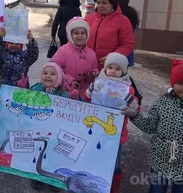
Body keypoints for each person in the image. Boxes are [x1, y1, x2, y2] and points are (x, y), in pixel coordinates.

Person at [122, 59, 183, 193]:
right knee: (156, 189)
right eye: (180, 83)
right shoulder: (163, 102)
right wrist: (134, 115)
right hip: (161, 159)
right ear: (173, 83)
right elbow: (150, 126)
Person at [83, 53, 139, 193]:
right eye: (110, 67)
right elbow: (86, 100)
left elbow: (136, 108)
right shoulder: (98, 83)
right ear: (105, 69)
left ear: (124, 72)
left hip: (116, 134)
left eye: (117, 69)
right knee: (94, 159)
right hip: (97, 130)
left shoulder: (128, 88)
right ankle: (92, 185)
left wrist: (130, 100)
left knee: (114, 164)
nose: (113, 71)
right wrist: (90, 91)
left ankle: (112, 188)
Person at [29, 62, 76, 192]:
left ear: (59, 78)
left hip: (57, 133)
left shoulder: (65, 94)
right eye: (45, 73)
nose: (48, 76)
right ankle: (36, 176)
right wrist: (21, 88)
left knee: (55, 156)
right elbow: (25, 103)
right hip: (39, 130)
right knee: (38, 153)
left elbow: (78, 113)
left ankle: (54, 179)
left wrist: (75, 99)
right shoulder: (35, 90)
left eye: (53, 74)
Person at [85, 0, 134, 70]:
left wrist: (113, 57)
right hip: (87, 66)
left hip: (110, 68)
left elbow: (127, 44)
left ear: (112, 4)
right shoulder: (89, 18)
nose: (100, 5)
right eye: (98, 2)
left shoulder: (123, 21)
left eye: (104, 3)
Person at [51, 17, 98, 99]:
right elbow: (53, 69)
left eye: (83, 33)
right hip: (65, 91)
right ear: (70, 35)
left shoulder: (92, 54)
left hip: (83, 93)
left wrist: (93, 74)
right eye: (76, 33)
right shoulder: (63, 51)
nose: (80, 36)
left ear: (87, 35)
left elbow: (94, 68)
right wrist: (68, 80)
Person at [117, 0, 143, 104]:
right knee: (123, 72)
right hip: (127, 49)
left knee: (123, 73)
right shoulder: (131, 13)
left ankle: (135, 94)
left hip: (122, 48)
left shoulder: (121, 15)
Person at [118, 0, 139, 67]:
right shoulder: (132, 12)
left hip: (121, 35)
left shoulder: (118, 13)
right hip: (130, 34)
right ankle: (128, 62)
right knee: (128, 48)